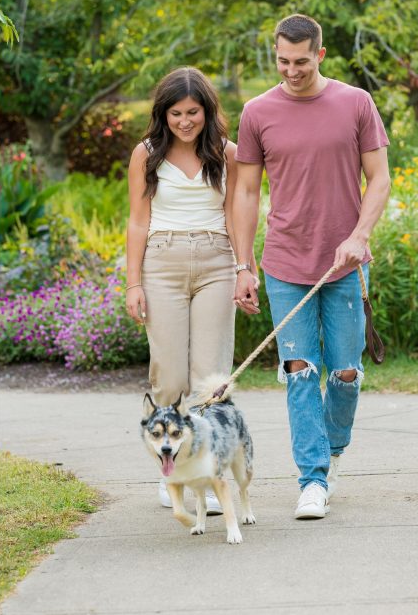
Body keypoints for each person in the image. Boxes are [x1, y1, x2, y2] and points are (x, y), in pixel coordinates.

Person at [232, 14, 391, 520]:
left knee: (345, 373)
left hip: (344, 264)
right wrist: (244, 263)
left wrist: (359, 236)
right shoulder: (258, 112)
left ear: (320, 54)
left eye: (301, 61)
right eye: (282, 60)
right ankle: (313, 480)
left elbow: (380, 179)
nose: (291, 70)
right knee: (300, 372)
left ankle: (332, 449)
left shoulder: (355, 102)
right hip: (283, 262)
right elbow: (247, 192)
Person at [125, 66, 256, 514]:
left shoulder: (229, 153)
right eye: (176, 113)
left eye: (193, 112)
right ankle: (174, 475)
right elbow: (137, 220)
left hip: (218, 259)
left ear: (207, 111)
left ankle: (209, 472)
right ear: (163, 114)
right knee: (170, 375)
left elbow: (239, 213)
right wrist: (134, 282)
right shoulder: (146, 154)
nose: (185, 121)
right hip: (162, 262)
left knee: (209, 377)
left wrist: (245, 269)